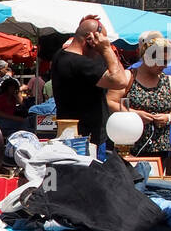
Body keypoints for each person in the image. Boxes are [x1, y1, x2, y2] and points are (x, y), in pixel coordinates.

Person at [50, 13, 132, 149]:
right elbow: (121, 81)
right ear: (90, 40)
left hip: (76, 136)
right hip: (86, 141)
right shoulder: (79, 64)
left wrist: (87, 26)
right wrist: (106, 49)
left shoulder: (61, 56)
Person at [106, 34, 171, 158]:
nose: (165, 66)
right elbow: (110, 101)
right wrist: (134, 114)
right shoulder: (128, 76)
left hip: (160, 150)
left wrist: (167, 117)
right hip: (128, 148)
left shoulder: (169, 81)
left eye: (167, 61)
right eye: (161, 61)